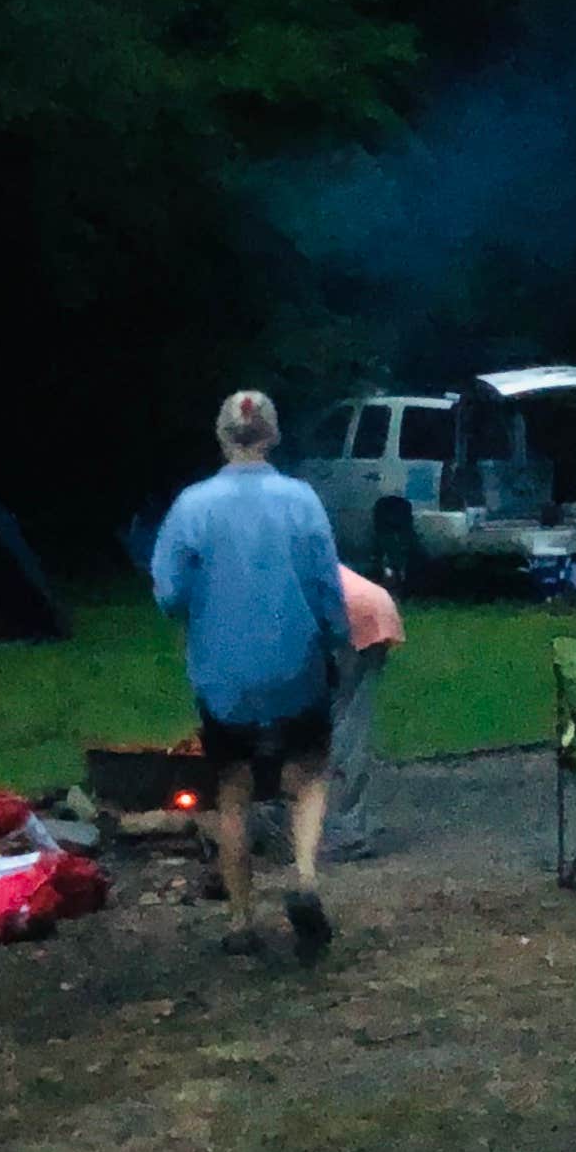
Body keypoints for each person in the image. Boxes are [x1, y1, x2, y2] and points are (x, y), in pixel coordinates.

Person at [151, 390, 353, 963]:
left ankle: (241, 920)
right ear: (273, 435)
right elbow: (326, 585)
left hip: (224, 677)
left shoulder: (192, 506)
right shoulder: (302, 501)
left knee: (232, 793)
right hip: (296, 666)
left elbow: (169, 595)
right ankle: (306, 876)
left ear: (222, 436)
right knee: (308, 776)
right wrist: (335, 636)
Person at [323, 562, 404, 859]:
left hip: (355, 616)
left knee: (346, 722)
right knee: (343, 715)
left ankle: (347, 831)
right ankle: (341, 823)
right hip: (364, 608)